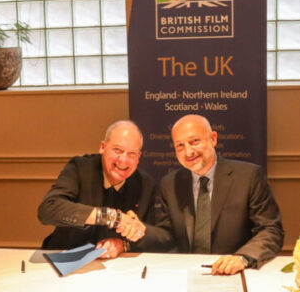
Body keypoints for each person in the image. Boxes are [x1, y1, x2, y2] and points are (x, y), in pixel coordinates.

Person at [158, 114, 283, 275]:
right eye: (180, 145)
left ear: (213, 139)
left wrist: (242, 258)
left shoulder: (248, 177)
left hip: (234, 272)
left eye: (194, 141)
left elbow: (271, 230)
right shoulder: (169, 184)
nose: (188, 152)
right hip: (185, 272)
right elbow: (166, 237)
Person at [38, 120, 173, 258]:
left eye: (132, 153)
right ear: (102, 147)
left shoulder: (145, 184)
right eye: (117, 150)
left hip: (115, 265)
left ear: (138, 157)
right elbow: (48, 209)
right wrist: (111, 217)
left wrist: (124, 244)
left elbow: (160, 237)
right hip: (63, 258)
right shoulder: (80, 168)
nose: (123, 160)